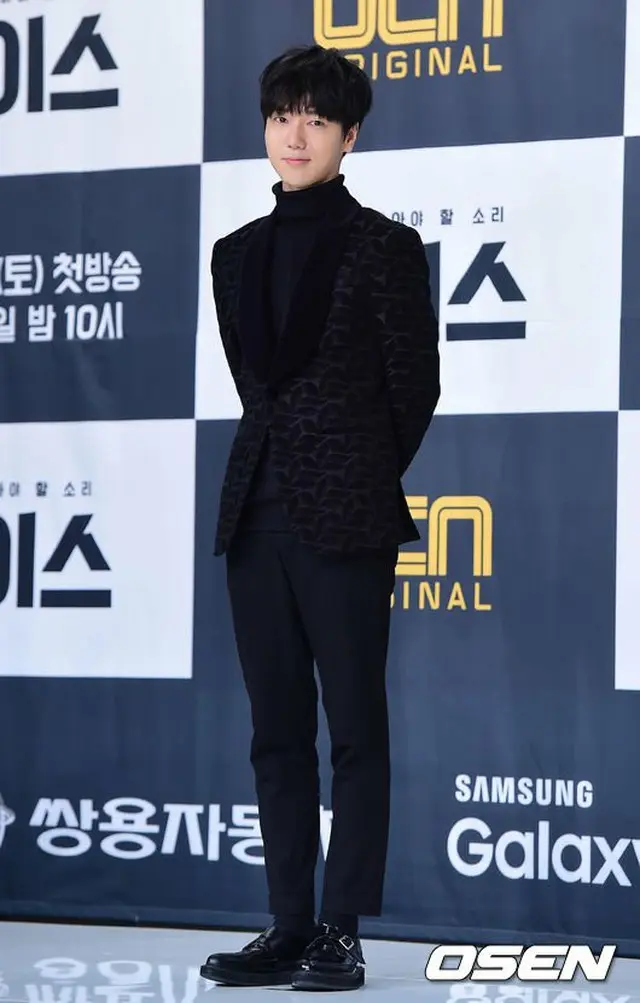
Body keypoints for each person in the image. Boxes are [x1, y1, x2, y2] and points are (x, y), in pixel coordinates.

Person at [199, 44, 440, 993]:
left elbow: (413, 390)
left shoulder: (384, 247)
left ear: (350, 135)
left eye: (315, 119)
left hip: (346, 518)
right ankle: (288, 923)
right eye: (280, 116)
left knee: (354, 730)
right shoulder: (233, 254)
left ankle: (342, 929)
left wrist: (356, 473)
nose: (294, 135)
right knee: (275, 732)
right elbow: (254, 385)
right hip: (252, 515)